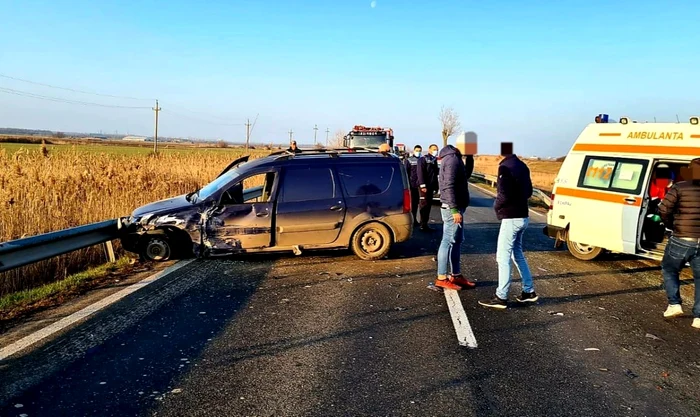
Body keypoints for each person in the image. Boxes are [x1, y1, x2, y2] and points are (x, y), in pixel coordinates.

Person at [479, 150, 536, 309]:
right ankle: (528, 291)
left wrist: (496, 207)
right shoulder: (523, 166)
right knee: (517, 254)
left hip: (511, 218)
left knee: (502, 257)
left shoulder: (505, 168)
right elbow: (529, 192)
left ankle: (501, 296)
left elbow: (503, 194)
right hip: (523, 216)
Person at [658, 158, 700, 330]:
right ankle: (698, 317)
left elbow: (663, 209)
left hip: (682, 238)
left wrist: (670, 225)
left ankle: (674, 304)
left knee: (669, 268)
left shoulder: (679, 187)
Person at [434, 144, 475, 290]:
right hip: (452, 207)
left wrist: (470, 157)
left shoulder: (456, 158)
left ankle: (456, 275)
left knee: (457, 241)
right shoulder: (451, 160)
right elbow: (448, 185)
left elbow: (466, 175)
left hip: (457, 206)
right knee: (447, 241)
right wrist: (454, 210)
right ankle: (441, 277)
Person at [417, 144, 440, 231]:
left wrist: (436, 186)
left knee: (428, 206)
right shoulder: (423, 159)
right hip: (424, 187)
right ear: (429, 150)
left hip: (431, 186)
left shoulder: (434, 160)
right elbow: (420, 173)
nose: (436, 151)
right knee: (424, 205)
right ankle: (422, 224)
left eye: (437, 149)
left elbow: (435, 175)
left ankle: (425, 224)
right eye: (434, 149)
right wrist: (423, 185)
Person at [403, 145, 422, 226]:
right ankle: (412, 220)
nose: (418, 152)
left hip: (420, 185)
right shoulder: (409, 160)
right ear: (414, 151)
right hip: (412, 185)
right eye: (417, 150)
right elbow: (406, 172)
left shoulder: (422, 160)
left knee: (418, 204)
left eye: (420, 150)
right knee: (413, 204)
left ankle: (418, 221)